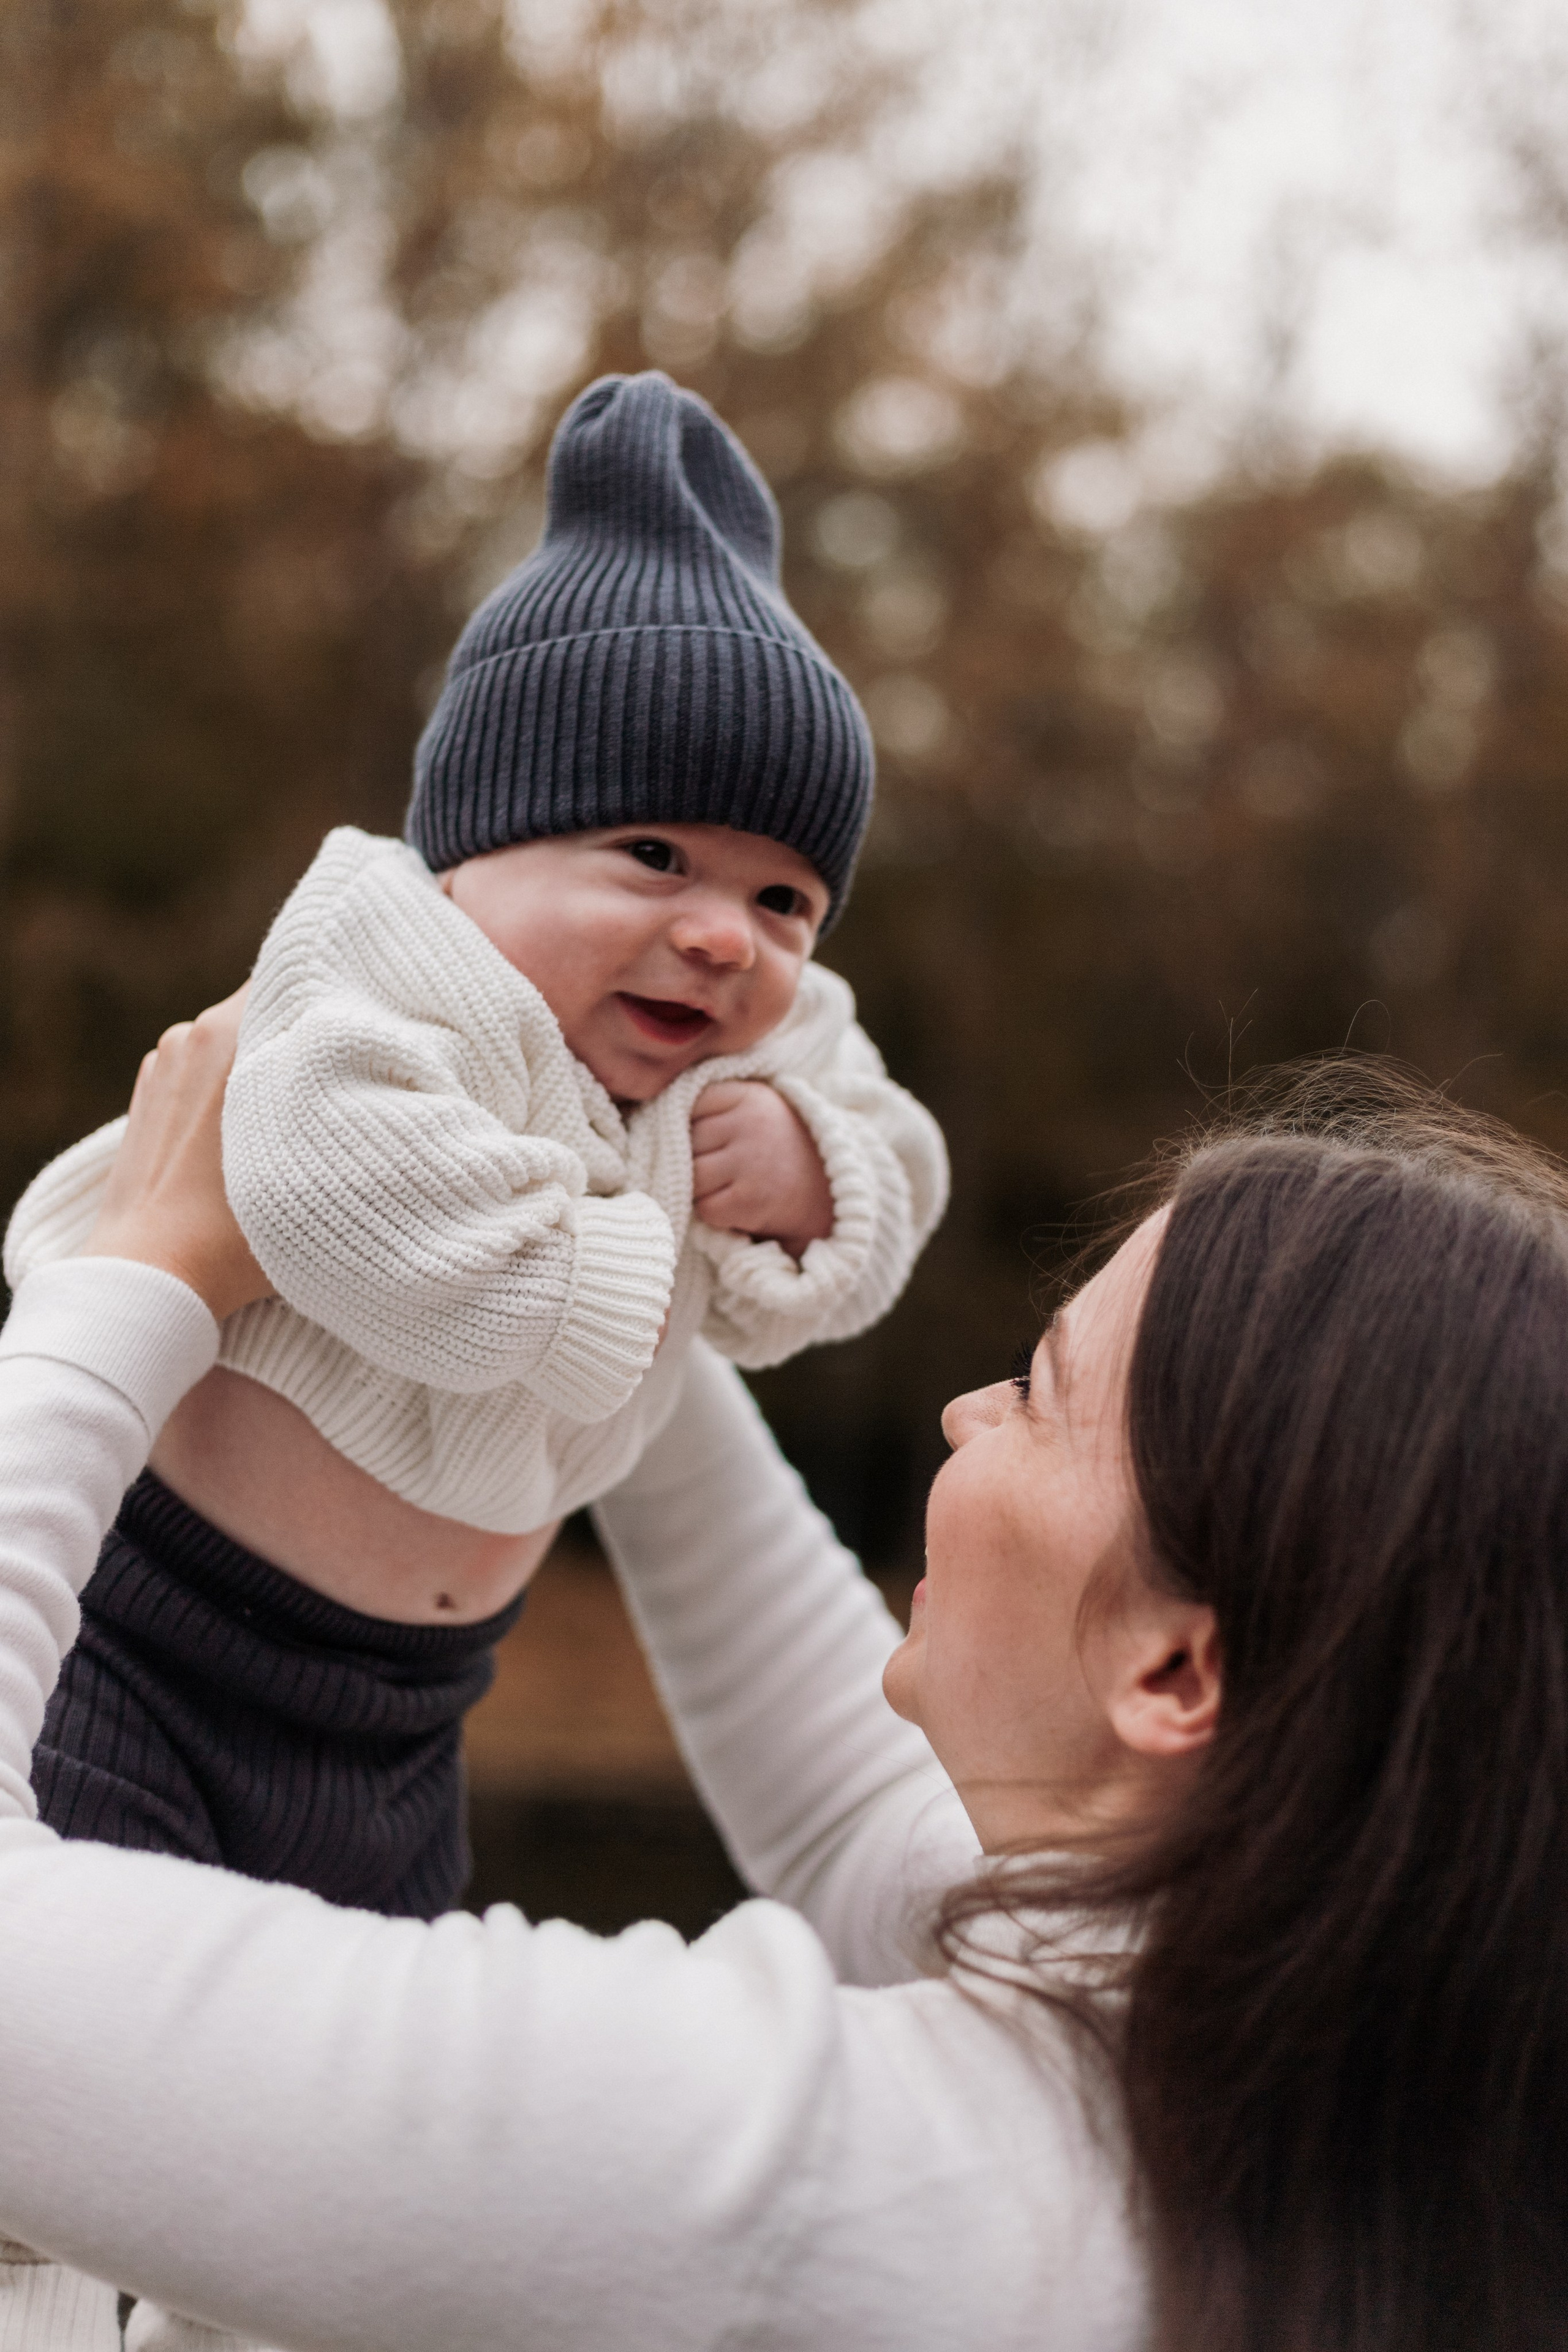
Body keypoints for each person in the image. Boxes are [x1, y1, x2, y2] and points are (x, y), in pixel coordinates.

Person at [0, 1012, 1562, 2352]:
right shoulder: (1365, 2102)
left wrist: (139, 1272)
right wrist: (581, 1226)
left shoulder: (796, 2174)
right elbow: (837, 1805)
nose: (964, 1412)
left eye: (1036, 1393)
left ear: (1170, 1669)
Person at [2, 370, 946, 1923]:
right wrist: (616, 1275)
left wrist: (810, 1166)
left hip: (411, 1717)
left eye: (784, 903)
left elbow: (903, 1161)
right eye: (651, 857)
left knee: (328, 2132)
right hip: (150, 1654)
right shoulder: (387, 959)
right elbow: (326, 1173)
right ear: (477, 853)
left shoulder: (761, 1049)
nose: (722, 939)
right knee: (79, 2075)